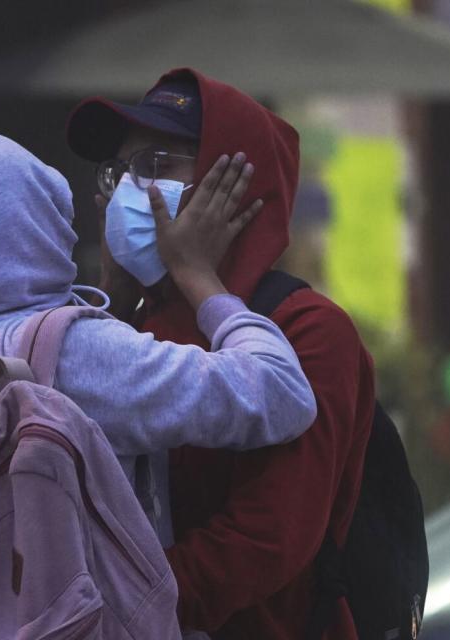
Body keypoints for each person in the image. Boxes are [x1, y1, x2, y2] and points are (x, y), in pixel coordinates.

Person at [0, 130, 318, 554]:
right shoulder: (77, 352)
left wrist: (112, 294)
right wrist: (199, 275)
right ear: (37, 218)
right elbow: (279, 392)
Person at [66, 68, 376, 639]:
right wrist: (114, 306)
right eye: (120, 173)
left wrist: (122, 614)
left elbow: (268, 537)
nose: (129, 191)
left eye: (157, 165)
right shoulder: (138, 327)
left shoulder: (309, 330)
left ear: (234, 184)